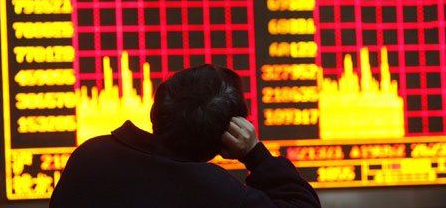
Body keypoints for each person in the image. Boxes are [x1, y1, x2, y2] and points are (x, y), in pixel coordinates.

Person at [50, 64, 321, 208]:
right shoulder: (217, 192)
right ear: (224, 139)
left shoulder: (89, 156)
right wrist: (256, 156)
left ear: (156, 112)